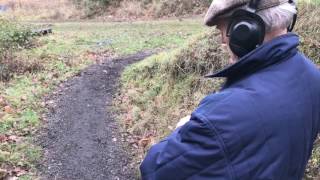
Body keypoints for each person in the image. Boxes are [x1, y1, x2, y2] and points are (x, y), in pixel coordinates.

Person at [140, 0, 320, 179]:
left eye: (222, 30)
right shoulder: (312, 76)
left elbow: (155, 170)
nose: (221, 41)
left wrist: (183, 129)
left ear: (245, 30)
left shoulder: (222, 116)